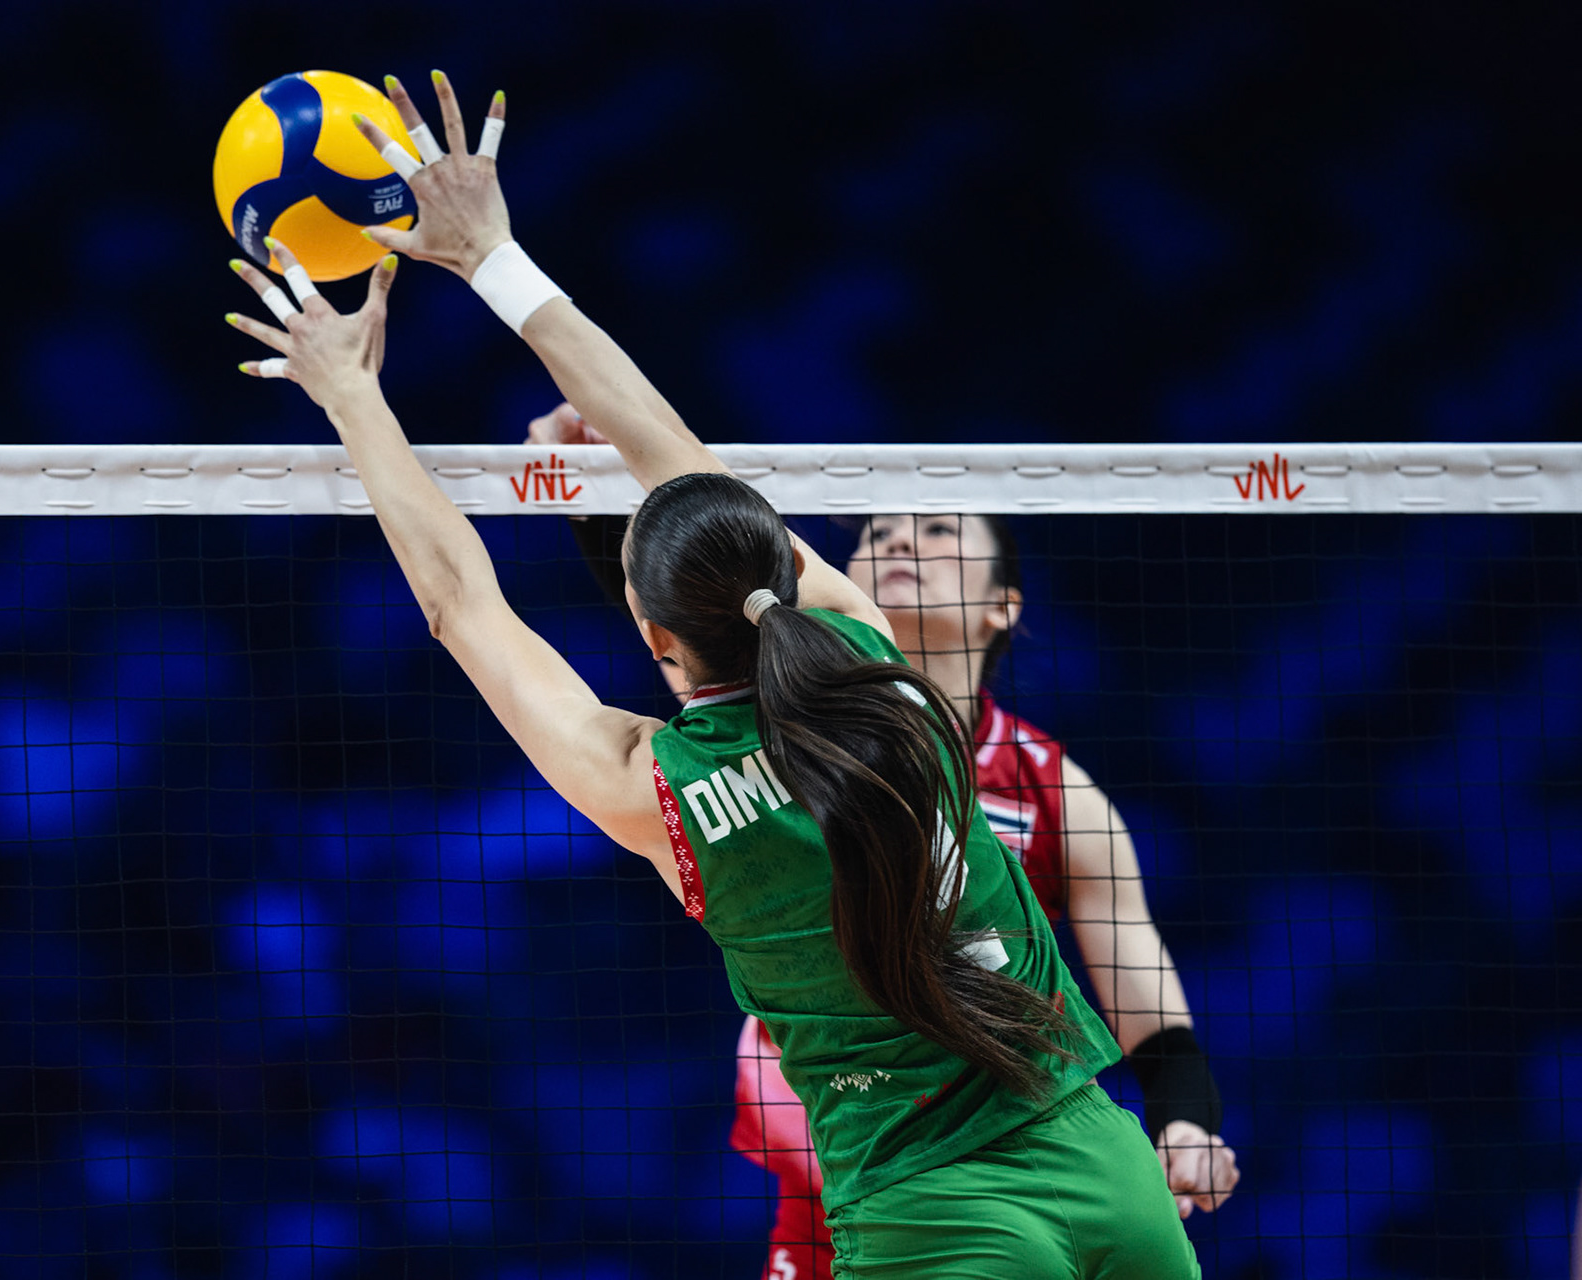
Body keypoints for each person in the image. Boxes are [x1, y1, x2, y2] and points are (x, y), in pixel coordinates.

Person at [223, 71, 1201, 1277]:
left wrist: (351, 394)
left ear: (652, 639)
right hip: (1099, 1159)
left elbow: (458, 601)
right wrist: (492, 256)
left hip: (934, 1210)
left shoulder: (659, 794)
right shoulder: (879, 659)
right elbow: (670, 449)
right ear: (777, 572)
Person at [527, 409, 1241, 1280]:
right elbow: (691, 632)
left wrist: (1185, 1117)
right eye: (879, 530)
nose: (902, 539)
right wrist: (600, 502)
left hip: (1009, 1151)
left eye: (938, 529)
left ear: (1002, 604)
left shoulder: (1054, 790)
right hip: (851, 1168)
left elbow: (1143, 991)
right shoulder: (765, 718)